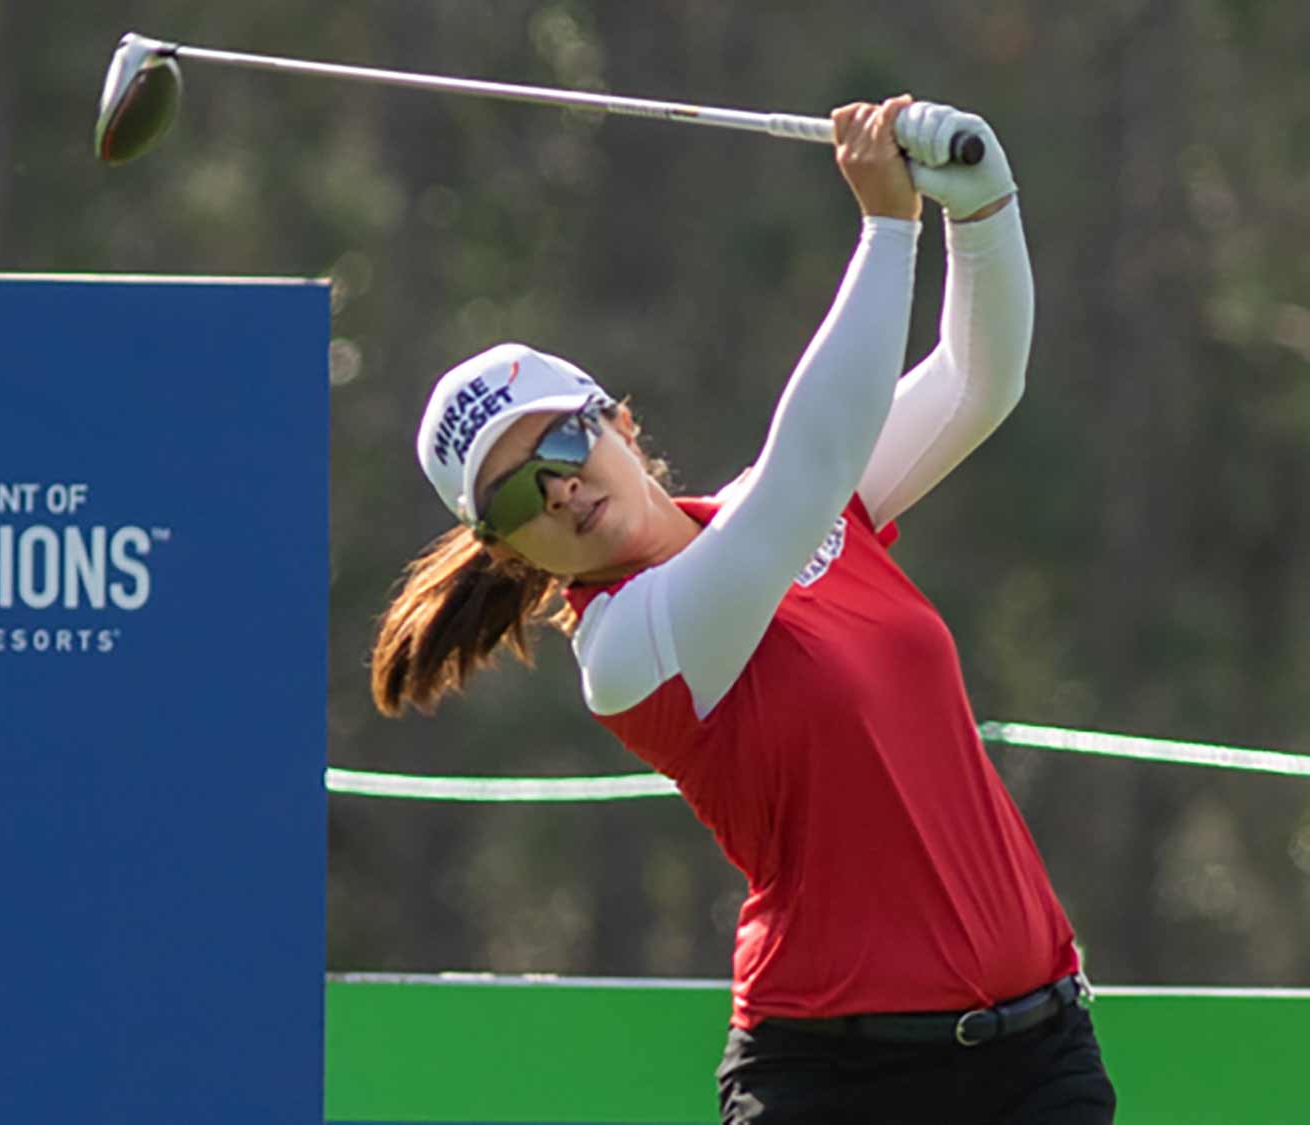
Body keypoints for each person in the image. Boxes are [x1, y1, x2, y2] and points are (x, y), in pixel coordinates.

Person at [370, 96, 1117, 1124]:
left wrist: (980, 202)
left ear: (617, 422)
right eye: (511, 495)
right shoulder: (628, 648)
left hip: (1036, 1058)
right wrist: (887, 226)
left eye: (557, 444)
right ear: (502, 551)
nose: (554, 488)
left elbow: (976, 381)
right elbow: (803, 473)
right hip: (836, 1083)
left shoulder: (787, 512)